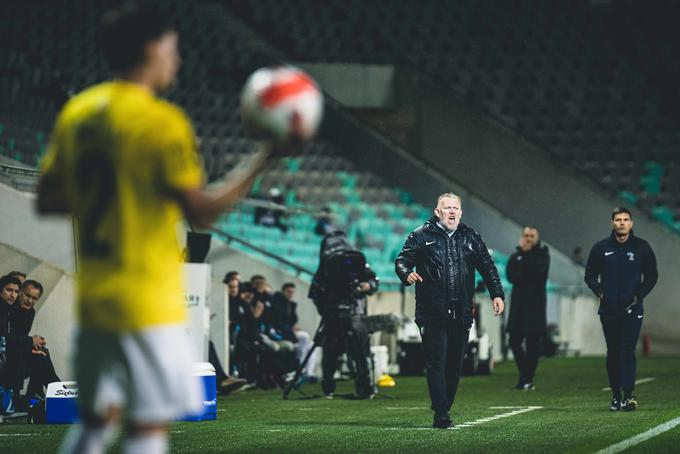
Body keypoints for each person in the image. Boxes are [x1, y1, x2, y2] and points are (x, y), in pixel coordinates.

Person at [36, 5, 289, 453]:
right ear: (151, 49)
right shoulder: (162, 122)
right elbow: (203, 213)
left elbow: (49, 199)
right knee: (147, 431)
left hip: (95, 299)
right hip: (147, 299)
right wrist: (264, 157)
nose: (178, 60)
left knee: (95, 426)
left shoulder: (79, 113)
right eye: (173, 49)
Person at [395, 193, 504, 429]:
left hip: (462, 311)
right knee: (436, 363)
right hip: (432, 312)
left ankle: (443, 405)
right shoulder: (420, 236)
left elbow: (488, 267)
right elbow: (402, 260)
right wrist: (406, 273)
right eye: (447, 208)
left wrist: (497, 294)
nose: (452, 211)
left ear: (461, 212)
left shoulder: (471, 237)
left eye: (456, 208)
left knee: (454, 367)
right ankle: (442, 414)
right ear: (438, 212)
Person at [584, 207, 658, 412]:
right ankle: (616, 396)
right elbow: (589, 274)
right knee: (613, 352)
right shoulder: (601, 248)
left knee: (627, 350)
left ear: (631, 223)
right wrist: (599, 291)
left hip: (633, 308)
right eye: (618, 220)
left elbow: (652, 275)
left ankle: (629, 395)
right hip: (608, 310)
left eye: (626, 219)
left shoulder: (642, 247)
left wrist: (638, 295)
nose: (622, 223)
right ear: (612, 223)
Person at [309, 231, 379, 399]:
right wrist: (326, 309)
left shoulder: (357, 262)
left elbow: (374, 282)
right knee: (331, 351)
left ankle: (363, 386)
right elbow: (316, 291)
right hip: (334, 316)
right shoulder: (326, 267)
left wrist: (366, 286)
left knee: (360, 352)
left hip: (355, 314)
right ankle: (329, 387)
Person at [506, 226, 550, 390]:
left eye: (532, 236)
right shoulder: (516, 255)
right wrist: (523, 262)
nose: (528, 238)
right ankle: (525, 375)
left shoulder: (543, 254)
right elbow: (511, 275)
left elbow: (536, 272)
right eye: (526, 235)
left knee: (533, 344)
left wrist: (525, 258)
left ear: (537, 238)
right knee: (514, 342)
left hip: (535, 307)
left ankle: (527, 378)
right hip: (518, 306)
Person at [12, 280, 61, 402]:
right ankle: (58, 393)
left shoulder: (30, 312)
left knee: (43, 352)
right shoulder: (10, 308)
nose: (30, 301)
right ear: (21, 292)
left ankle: (43, 393)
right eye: (27, 295)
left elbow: (21, 336)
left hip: (18, 351)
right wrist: (31, 342)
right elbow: (9, 338)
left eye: (34, 298)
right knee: (40, 359)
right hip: (10, 354)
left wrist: (34, 343)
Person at [270, 283, 317, 380]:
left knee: (313, 345)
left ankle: (309, 371)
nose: (290, 294)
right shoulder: (278, 303)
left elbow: (291, 321)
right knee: (304, 337)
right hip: (282, 334)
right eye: (288, 292)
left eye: (292, 292)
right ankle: (301, 369)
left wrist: (293, 328)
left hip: (290, 333)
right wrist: (292, 332)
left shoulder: (291, 304)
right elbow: (279, 322)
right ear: (283, 291)